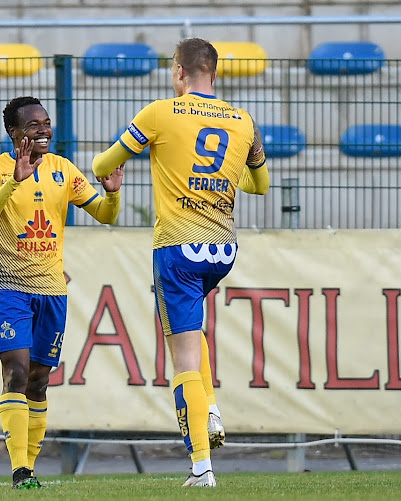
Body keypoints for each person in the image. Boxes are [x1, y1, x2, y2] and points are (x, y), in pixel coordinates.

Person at [92, 38, 270, 488]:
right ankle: (207, 406)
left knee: (183, 358)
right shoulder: (243, 119)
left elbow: (102, 163)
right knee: (195, 332)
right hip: (223, 249)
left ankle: (201, 467)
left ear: (178, 72)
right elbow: (259, 185)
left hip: (178, 247)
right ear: (215, 73)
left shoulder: (159, 113)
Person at [0, 96, 124, 489]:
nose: (43, 129)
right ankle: (20, 469)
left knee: (39, 380)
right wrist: (14, 181)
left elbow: (107, 216)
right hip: (9, 286)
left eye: (46, 122)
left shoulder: (64, 170)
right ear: (13, 133)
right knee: (16, 372)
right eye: (33, 124)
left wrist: (111, 193)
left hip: (52, 290)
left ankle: (30, 470)